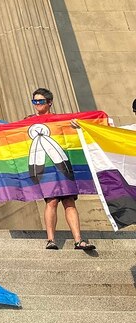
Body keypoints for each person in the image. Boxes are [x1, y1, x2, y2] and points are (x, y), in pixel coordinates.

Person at [28, 87, 95, 251]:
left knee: (69, 201)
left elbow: (73, 136)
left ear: (49, 102)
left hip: (63, 166)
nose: (37, 104)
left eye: (40, 101)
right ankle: (50, 240)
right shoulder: (28, 121)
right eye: (34, 101)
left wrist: (76, 126)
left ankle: (78, 240)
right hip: (46, 168)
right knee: (51, 201)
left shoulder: (62, 120)